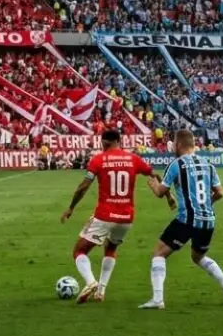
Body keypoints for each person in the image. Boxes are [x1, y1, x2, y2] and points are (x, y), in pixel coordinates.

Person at [60, 129, 170, 304]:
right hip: (126, 218)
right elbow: (154, 174)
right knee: (110, 249)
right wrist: (169, 197)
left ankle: (90, 282)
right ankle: (101, 291)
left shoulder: (98, 160)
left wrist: (71, 207)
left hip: (104, 215)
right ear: (119, 141)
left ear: (105, 142)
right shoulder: (133, 159)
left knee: (79, 251)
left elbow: (83, 186)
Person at [140, 129, 223, 309]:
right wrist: (206, 204)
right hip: (208, 219)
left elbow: (161, 193)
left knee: (159, 253)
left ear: (178, 145)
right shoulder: (208, 165)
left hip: (187, 219)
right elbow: (220, 193)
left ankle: (157, 299)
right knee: (198, 256)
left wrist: (154, 185)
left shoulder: (176, 165)